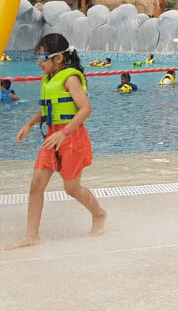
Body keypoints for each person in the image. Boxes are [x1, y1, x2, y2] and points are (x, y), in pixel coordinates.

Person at [7, 34, 106, 249]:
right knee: (36, 185)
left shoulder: (71, 78)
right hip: (53, 136)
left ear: (58, 58)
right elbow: (48, 109)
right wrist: (29, 124)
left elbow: (85, 109)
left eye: (42, 58)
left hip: (71, 136)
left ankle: (99, 215)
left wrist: (65, 133)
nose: (38, 62)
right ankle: (32, 236)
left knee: (71, 189)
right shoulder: (49, 79)